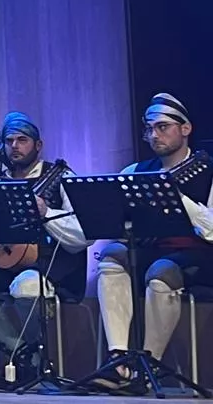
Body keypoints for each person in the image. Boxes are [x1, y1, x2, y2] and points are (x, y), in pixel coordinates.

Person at [0, 112, 86, 369]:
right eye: (9, 141)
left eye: (22, 140)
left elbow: (82, 236)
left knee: (26, 284)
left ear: (38, 145)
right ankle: (20, 351)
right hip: (3, 269)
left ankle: (34, 356)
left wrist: (47, 213)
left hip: (51, 269)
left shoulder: (61, 177)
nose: (15, 146)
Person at [94, 93, 213, 385]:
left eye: (162, 127)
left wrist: (177, 197)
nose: (154, 135)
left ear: (185, 129)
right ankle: (118, 358)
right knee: (111, 255)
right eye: (150, 128)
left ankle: (150, 365)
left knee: (160, 272)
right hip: (148, 250)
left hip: (196, 255)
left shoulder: (208, 172)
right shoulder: (135, 172)